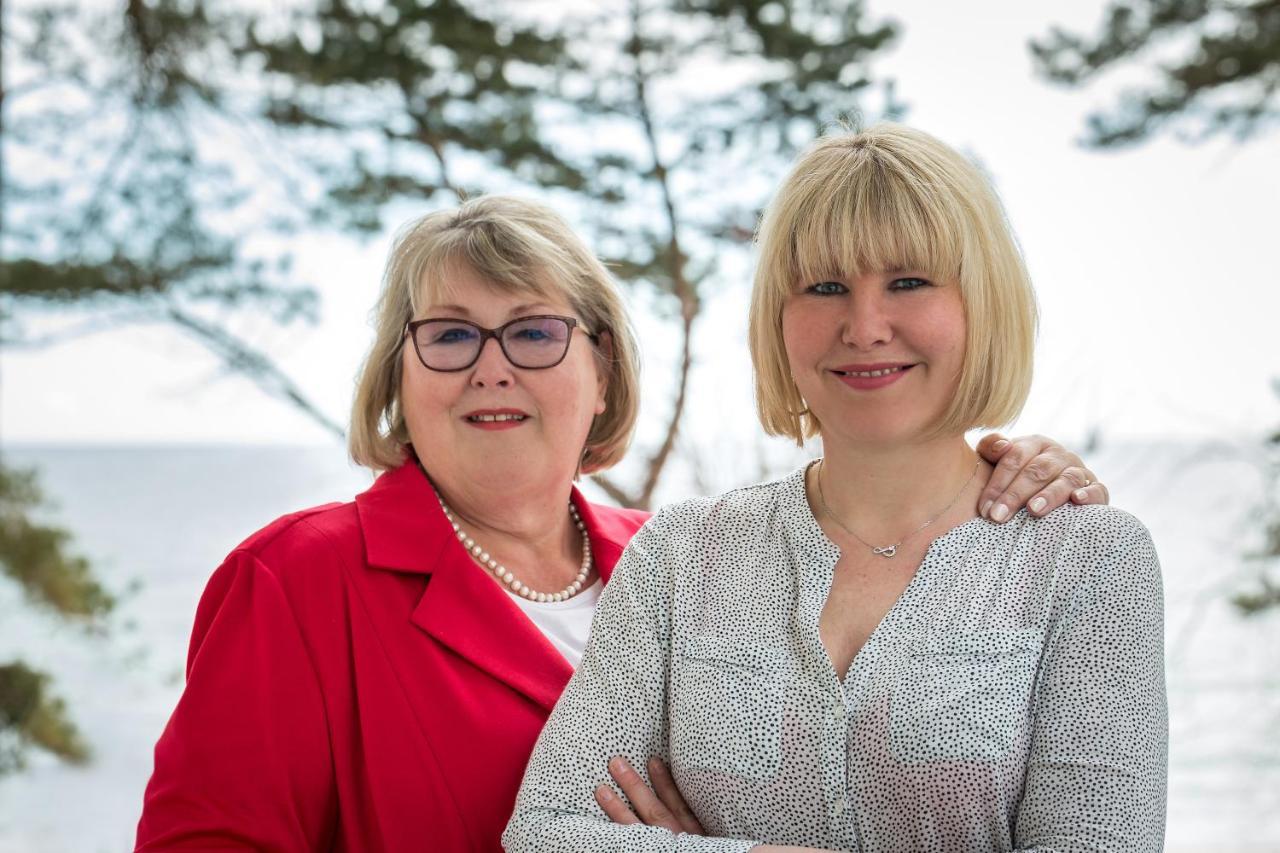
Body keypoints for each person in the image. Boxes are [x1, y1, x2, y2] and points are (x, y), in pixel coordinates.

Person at [135, 195, 1110, 852]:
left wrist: (984, 486)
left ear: (600, 370)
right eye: (446, 335)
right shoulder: (298, 578)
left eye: (532, 331)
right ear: (399, 374)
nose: (489, 366)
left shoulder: (687, 557)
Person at [504, 125, 1167, 853]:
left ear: (983, 303)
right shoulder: (679, 554)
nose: (865, 325)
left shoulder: (1090, 558)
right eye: (825, 287)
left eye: (908, 281)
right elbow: (545, 831)